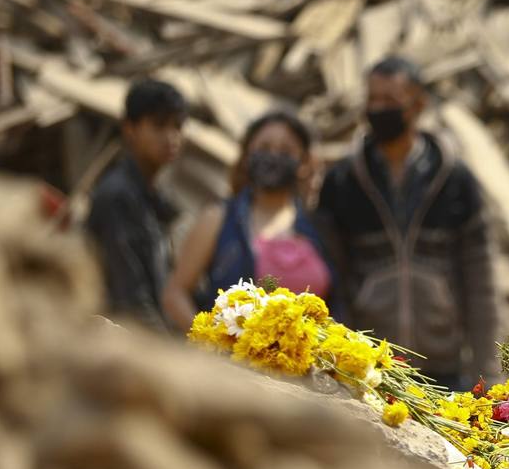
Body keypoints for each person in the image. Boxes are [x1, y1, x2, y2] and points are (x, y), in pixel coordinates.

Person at [314, 56, 498, 390]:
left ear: (417, 106)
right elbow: (332, 276)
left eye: (390, 101)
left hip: (443, 365)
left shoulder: (454, 179)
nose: (378, 109)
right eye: (372, 99)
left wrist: (488, 368)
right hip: (368, 364)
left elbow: (479, 278)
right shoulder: (342, 182)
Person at [163, 111, 331, 327]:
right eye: (264, 148)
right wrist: (210, 342)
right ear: (245, 157)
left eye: (286, 150)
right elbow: (175, 294)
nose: (273, 156)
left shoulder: (319, 228)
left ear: (304, 163)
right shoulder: (218, 219)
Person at [87, 78, 187, 331]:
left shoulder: (155, 196)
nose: (171, 137)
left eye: (177, 126)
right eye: (159, 126)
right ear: (130, 129)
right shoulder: (117, 196)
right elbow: (131, 299)